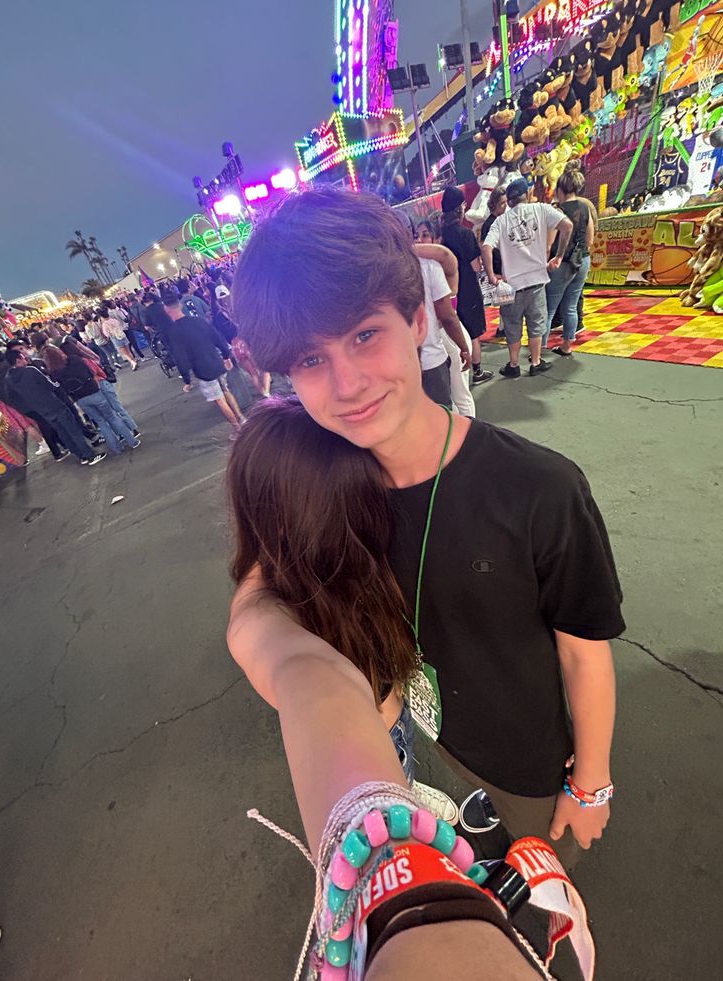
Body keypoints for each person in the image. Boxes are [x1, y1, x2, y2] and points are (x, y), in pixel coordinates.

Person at [232, 188, 624, 868]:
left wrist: (590, 782)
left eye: (363, 335)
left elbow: (584, 652)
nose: (347, 382)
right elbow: (258, 590)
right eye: (310, 361)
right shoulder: (315, 477)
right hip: (412, 745)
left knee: (532, 894)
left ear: (417, 320)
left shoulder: (540, 488)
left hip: (523, 767)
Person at [229, 579, 543, 980]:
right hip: (373, 714)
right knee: (395, 763)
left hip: (383, 703)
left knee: (399, 762)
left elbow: (301, 665)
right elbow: (310, 672)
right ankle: (408, 807)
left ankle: (407, 800)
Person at [228, 396, 457, 818]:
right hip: (380, 730)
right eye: (360, 496)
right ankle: (403, 793)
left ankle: (407, 785)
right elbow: (297, 668)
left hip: (395, 699)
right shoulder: (260, 609)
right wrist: (370, 831)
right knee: (398, 773)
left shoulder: (335, 552)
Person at [481, 177, 573, 378]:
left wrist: (491, 276)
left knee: (512, 326)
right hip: (536, 281)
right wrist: (558, 256)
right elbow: (567, 225)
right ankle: (536, 362)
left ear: (510, 201)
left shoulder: (501, 221)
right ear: (528, 194)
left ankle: (514, 365)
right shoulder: (541, 209)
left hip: (510, 285)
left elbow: (486, 247)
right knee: (536, 323)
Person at [161, 287, 244, 434]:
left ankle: (237, 428)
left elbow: (180, 357)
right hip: (216, 361)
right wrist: (226, 356)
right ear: (180, 305)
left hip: (203, 370)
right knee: (226, 390)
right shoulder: (198, 321)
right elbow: (217, 338)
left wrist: (187, 380)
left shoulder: (174, 332)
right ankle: (241, 418)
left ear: (167, 310)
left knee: (219, 399)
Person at [4, 349, 105, 465]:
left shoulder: (9, 379)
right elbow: (51, 385)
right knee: (73, 431)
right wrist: (58, 386)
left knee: (63, 433)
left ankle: (81, 456)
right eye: (22, 357)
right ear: (18, 360)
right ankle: (90, 456)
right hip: (54, 404)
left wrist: (30, 408)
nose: (25, 359)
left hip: (41, 411)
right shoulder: (30, 371)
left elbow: (12, 399)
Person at [413, 239, 475, 418]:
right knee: (442, 413)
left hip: (440, 344)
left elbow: (448, 317)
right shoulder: (426, 266)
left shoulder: (433, 265)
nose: (420, 239)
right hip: (430, 353)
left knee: (458, 396)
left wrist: (463, 348)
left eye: (425, 235)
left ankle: (467, 438)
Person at [440, 186, 494, 387]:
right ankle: (477, 371)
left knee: (451, 331)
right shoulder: (465, 234)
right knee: (472, 332)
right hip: (467, 289)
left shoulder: (439, 234)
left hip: (446, 291)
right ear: (460, 208)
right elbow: (475, 266)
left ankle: (454, 369)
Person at [42, 345, 139, 455]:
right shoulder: (74, 359)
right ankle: (132, 441)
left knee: (101, 422)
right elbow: (90, 373)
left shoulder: (54, 373)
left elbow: (62, 389)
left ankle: (116, 448)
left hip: (80, 399)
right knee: (112, 417)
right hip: (94, 392)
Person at [543, 169, 595, 357]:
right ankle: (566, 345)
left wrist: (546, 263)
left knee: (549, 308)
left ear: (560, 189)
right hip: (582, 259)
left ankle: (539, 349)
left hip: (562, 262)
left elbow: (549, 244)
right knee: (571, 305)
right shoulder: (585, 208)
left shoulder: (558, 211)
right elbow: (590, 239)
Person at [0, 347, 68, 461]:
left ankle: (60, 447)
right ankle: (58, 449)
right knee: (46, 423)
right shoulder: (9, 365)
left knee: (43, 423)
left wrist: (14, 404)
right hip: (32, 399)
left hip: (19, 405)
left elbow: (1, 394)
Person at [60, 335, 140, 440]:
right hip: (101, 385)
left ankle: (129, 430)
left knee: (112, 411)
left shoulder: (79, 361)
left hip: (99, 386)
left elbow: (95, 372)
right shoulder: (84, 357)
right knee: (114, 410)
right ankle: (128, 430)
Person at [479, 188, 508, 340]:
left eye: (506, 203)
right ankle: (502, 327)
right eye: (502, 203)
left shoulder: (503, 220)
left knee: (505, 299)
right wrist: (490, 270)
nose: (505, 206)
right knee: (500, 299)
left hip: (504, 263)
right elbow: (484, 247)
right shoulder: (489, 224)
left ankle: (503, 327)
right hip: (496, 266)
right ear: (494, 204)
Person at [99, 305, 137, 370]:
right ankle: (133, 362)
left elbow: (107, 334)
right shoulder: (114, 320)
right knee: (128, 351)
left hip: (115, 338)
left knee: (123, 352)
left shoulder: (105, 324)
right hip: (122, 335)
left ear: (102, 317)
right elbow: (120, 326)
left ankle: (132, 362)